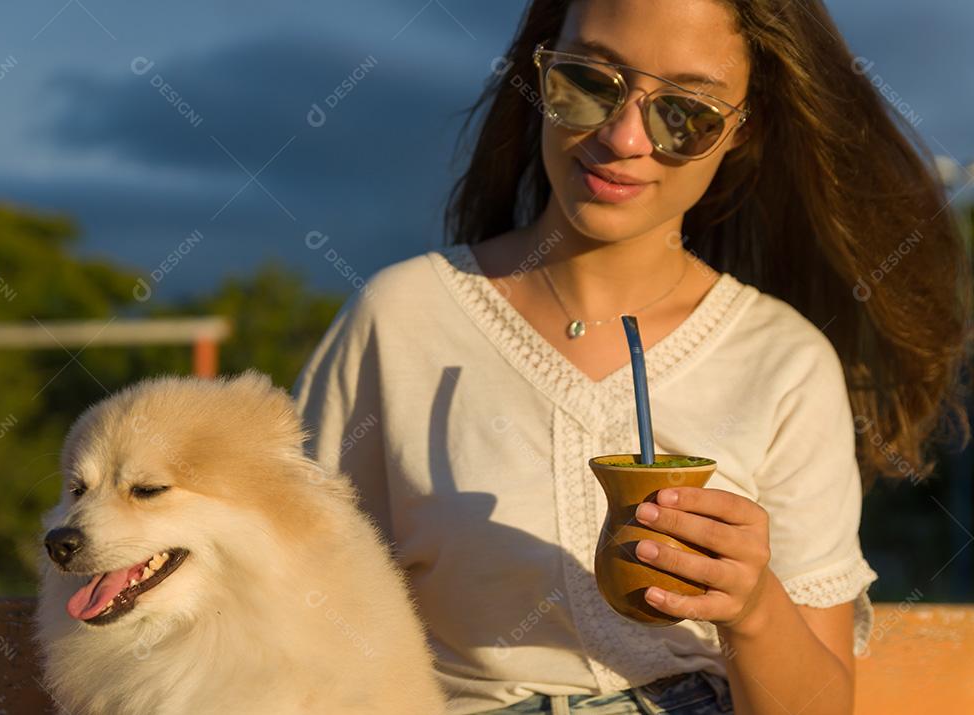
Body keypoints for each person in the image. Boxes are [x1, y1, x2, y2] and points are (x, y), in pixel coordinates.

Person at [291, 0, 973, 713]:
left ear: (747, 129)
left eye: (687, 112)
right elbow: (296, 615)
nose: (621, 137)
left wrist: (753, 607)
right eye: (589, 81)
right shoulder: (400, 320)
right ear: (541, 72)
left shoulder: (785, 363)